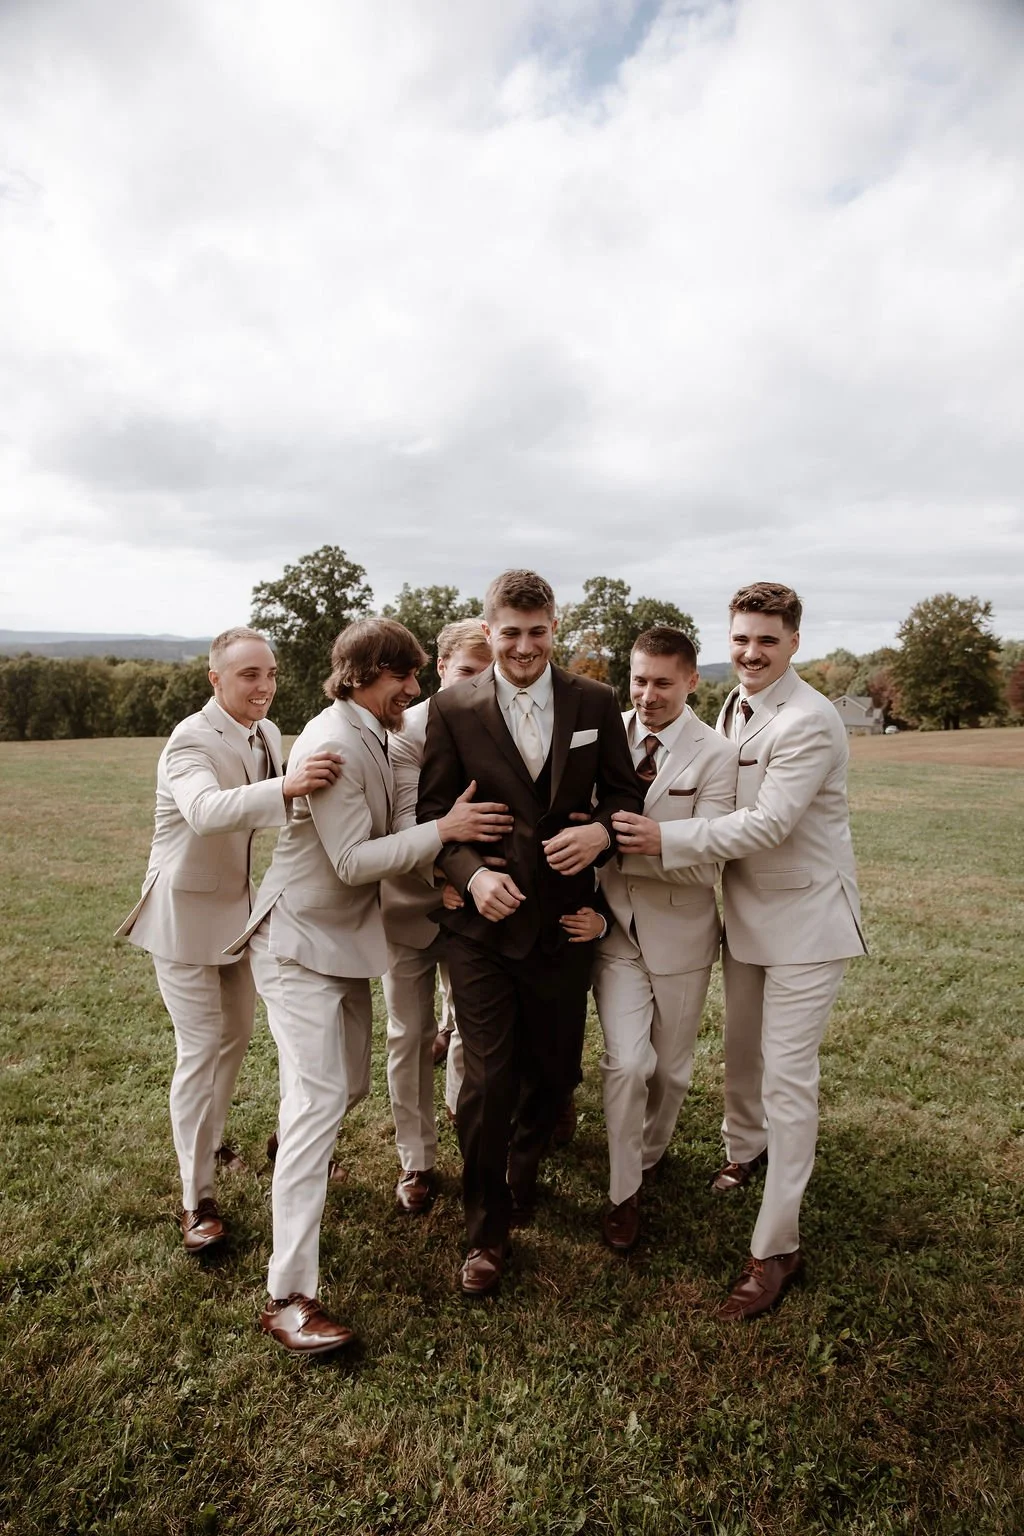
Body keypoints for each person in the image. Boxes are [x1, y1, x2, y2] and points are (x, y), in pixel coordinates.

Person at [226, 617, 513, 1355]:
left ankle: (293, 1141)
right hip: (294, 944)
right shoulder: (332, 742)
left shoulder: (377, 732)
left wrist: (449, 857)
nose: (414, 689)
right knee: (322, 1096)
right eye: (402, 676)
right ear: (358, 676)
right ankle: (288, 1296)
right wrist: (446, 833)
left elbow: (401, 823)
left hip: (341, 945)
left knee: (345, 1086)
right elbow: (352, 860)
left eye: (417, 675)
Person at [613, 583, 866, 1319]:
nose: (751, 653)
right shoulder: (734, 703)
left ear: (795, 642)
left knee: (788, 1079)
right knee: (742, 1056)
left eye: (767, 640)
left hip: (807, 923)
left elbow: (768, 824)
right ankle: (745, 1148)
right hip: (748, 916)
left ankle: (777, 1247)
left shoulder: (811, 720)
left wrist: (663, 838)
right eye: (741, 639)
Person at [416, 569, 643, 1297]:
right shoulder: (452, 708)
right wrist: (469, 875)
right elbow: (434, 812)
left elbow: (625, 792)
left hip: (565, 925)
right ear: (488, 631)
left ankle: (520, 1172)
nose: (523, 646)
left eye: (537, 632)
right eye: (509, 633)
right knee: (487, 1079)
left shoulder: (595, 702)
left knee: (553, 1071)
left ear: (555, 627)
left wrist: (602, 834)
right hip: (481, 927)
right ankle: (485, 1231)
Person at [114, 626, 342, 1253]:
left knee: (235, 1038)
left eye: (270, 674)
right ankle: (197, 1201)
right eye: (249, 675)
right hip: (182, 916)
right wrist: (287, 787)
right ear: (215, 679)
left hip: (237, 913)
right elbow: (206, 811)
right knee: (200, 1049)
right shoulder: (189, 739)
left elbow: (284, 808)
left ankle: (213, 1142)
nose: (264, 686)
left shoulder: (266, 732)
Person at [595, 627, 737, 1252]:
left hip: (682, 932)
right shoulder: (602, 733)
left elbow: (711, 860)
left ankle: (650, 1153)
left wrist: (625, 845)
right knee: (628, 1063)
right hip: (612, 932)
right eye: (638, 681)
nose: (647, 695)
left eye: (662, 683)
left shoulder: (718, 754)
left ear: (691, 682)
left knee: (672, 1073)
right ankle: (623, 1190)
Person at [380, 618, 493, 1215]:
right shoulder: (407, 730)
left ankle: (461, 1115)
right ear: (442, 668)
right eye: (467, 672)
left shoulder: (500, 719)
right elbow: (404, 819)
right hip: (411, 897)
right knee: (408, 1034)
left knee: (472, 1027)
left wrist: (470, 880)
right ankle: (416, 1159)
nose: (477, 683)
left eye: (487, 673)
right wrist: (444, 877)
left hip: (476, 901)